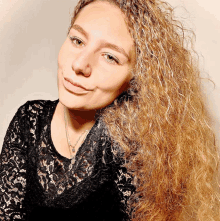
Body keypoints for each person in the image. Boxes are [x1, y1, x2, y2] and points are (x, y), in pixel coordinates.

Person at [1, 0, 220, 220]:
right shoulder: (28, 119)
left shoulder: (133, 146)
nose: (79, 65)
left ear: (136, 78)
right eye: (77, 40)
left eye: (110, 57)